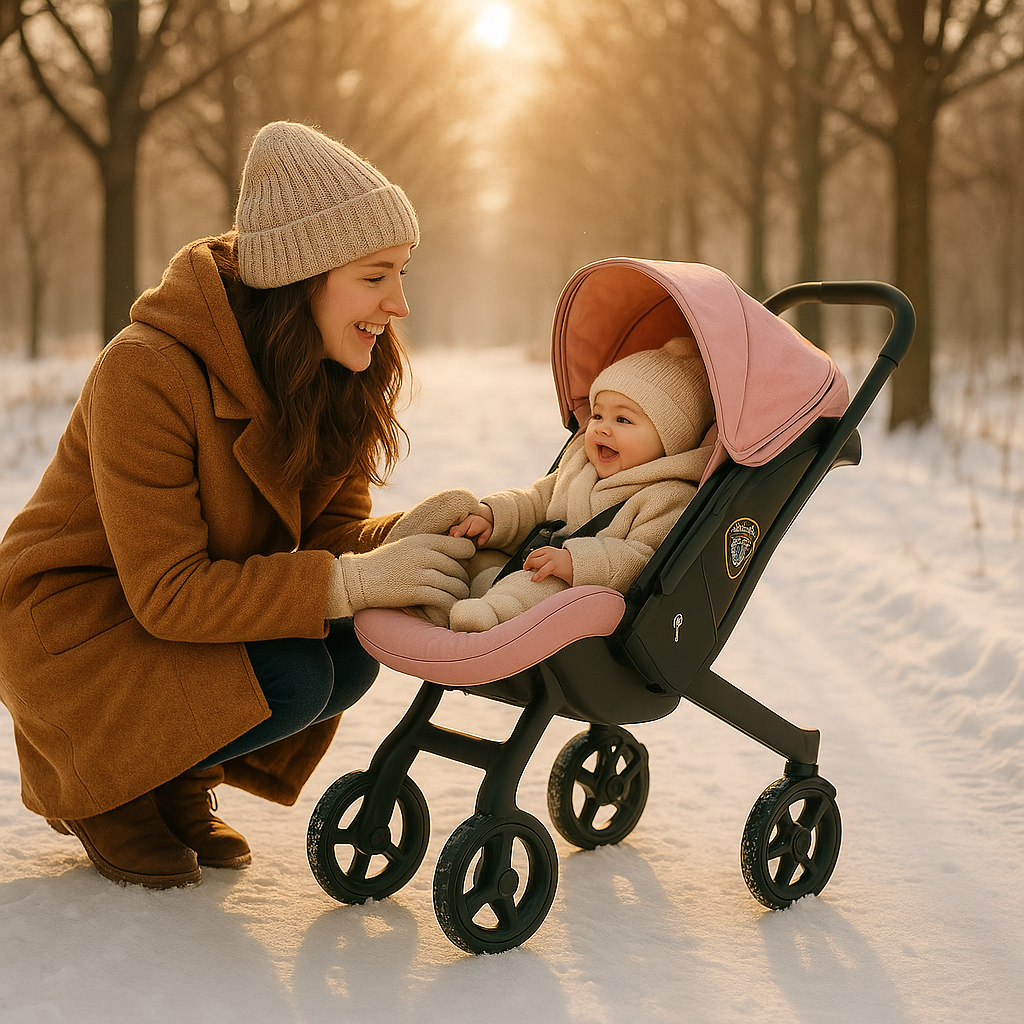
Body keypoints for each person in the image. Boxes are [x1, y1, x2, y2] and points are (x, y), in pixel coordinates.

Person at [0, 121, 475, 889]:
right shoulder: (146, 371)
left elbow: (337, 537)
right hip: (79, 624)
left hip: (171, 611)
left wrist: (410, 531)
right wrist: (358, 580)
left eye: (403, 273)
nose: (399, 304)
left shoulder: (326, 369)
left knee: (353, 648)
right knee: (300, 671)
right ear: (305, 276)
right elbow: (166, 592)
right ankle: (108, 785)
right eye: (376, 276)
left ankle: (175, 774)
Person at [386, 337, 716, 631]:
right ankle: (433, 596)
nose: (601, 428)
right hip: (527, 565)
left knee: (544, 585)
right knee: (473, 558)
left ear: (670, 440)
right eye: (598, 415)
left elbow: (642, 559)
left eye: (623, 420)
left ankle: (490, 616)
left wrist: (577, 563)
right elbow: (536, 500)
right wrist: (494, 516)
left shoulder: (669, 494)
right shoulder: (580, 467)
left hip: (578, 596)